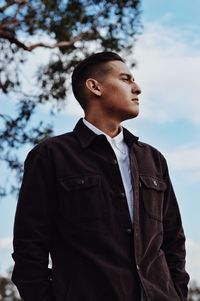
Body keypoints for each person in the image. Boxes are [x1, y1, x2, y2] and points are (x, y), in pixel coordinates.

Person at [12, 52, 189, 301]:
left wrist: (178, 295)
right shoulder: (51, 155)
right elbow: (29, 246)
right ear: (94, 87)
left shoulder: (153, 159)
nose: (137, 88)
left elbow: (173, 240)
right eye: (126, 79)